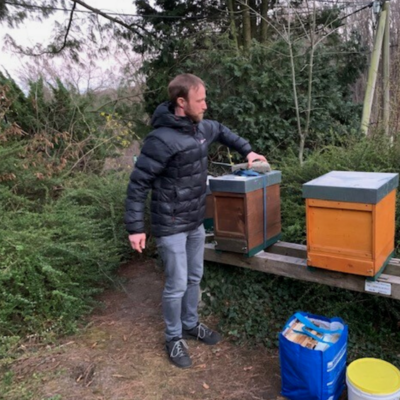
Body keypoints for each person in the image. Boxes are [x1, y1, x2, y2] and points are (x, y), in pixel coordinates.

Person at [125, 73, 267, 369]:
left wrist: (248, 150)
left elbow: (224, 131)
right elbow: (138, 185)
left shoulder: (202, 128)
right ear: (181, 102)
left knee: (194, 277)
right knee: (176, 283)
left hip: (194, 221)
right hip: (170, 224)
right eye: (200, 99)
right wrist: (136, 227)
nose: (205, 104)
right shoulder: (160, 140)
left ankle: (190, 324)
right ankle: (173, 337)